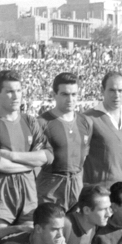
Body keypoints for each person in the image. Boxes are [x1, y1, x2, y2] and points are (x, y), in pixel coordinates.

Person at [0, 69, 53, 243]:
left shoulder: (30, 121)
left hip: (28, 194)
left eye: (18, 91)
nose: (16, 96)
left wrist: (11, 155)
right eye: (10, 91)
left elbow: (47, 156)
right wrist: (30, 163)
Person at [36, 72, 93, 210]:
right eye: (65, 94)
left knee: (75, 228)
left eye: (74, 94)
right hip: (50, 187)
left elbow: (84, 155)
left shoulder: (86, 122)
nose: (70, 99)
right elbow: (33, 159)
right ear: (54, 94)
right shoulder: (42, 123)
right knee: (52, 228)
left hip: (77, 186)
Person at [83, 71, 122, 188]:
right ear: (102, 91)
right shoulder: (88, 118)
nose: (117, 95)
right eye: (112, 90)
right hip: (98, 193)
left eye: (120, 91)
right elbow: (79, 157)